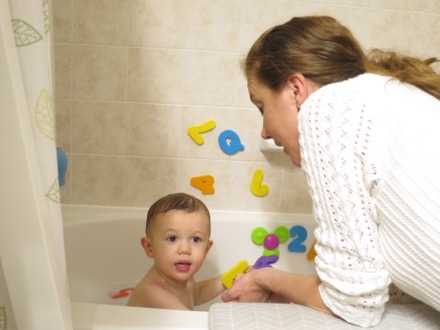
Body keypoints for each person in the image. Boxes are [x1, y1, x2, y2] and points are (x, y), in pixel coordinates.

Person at [221, 15, 440, 328]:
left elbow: (355, 304)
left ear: (295, 89)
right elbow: (397, 279)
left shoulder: (328, 108)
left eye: (262, 107)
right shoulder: (388, 95)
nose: (265, 131)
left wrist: (267, 279)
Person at [127, 192, 226, 310]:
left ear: (206, 249)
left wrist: (231, 278)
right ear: (149, 247)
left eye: (195, 239)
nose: (185, 249)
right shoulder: (154, 293)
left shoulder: (184, 279)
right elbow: (190, 323)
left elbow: (196, 294)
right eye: (172, 238)